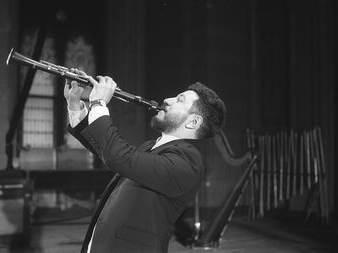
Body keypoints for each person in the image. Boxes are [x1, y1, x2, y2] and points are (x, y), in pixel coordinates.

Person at [64, 75, 226, 253]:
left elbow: (117, 155)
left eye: (179, 100)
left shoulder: (189, 161)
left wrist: (99, 103)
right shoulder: (151, 146)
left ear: (193, 122)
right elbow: (106, 150)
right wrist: (74, 105)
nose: (167, 100)